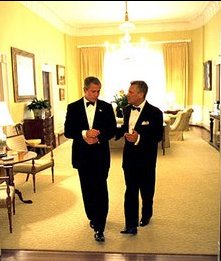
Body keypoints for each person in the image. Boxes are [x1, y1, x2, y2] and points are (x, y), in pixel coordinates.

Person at [64, 76, 117, 242]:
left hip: (101, 155)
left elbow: (112, 130)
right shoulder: (73, 107)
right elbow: (68, 131)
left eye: (98, 91)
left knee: (101, 189)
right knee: (87, 189)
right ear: (85, 90)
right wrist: (84, 134)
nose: (96, 94)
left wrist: (98, 137)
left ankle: (100, 225)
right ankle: (93, 217)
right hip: (82, 156)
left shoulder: (107, 107)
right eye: (93, 91)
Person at [116, 80, 163, 235]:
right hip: (129, 158)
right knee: (130, 190)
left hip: (146, 159)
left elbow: (157, 136)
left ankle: (147, 214)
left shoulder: (155, 112)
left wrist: (138, 137)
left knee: (147, 190)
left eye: (131, 92)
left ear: (140, 94)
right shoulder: (126, 110)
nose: (127, 94)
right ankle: (130, 225)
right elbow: (123, 128)